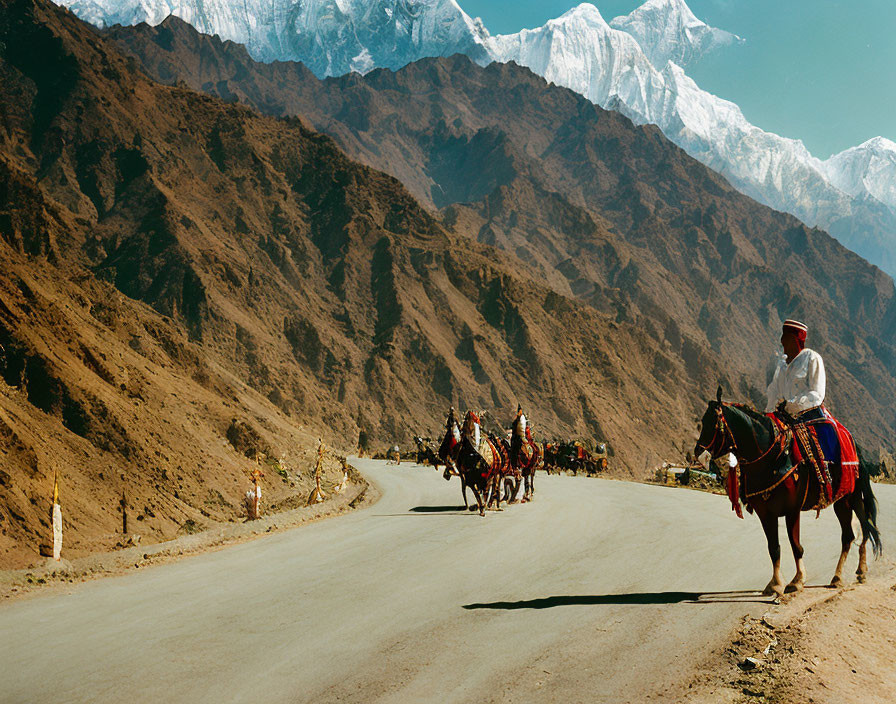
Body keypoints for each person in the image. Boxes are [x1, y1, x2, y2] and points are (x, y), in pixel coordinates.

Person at [765, 319, 826, 421]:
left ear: (794, 340)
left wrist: (790, 406)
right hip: (781, 417)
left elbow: (817, 394)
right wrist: (769, 412)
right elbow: (774, 390)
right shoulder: (782, 364)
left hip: (807, 417)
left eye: (786, 339)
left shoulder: (812, 358)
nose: (782, 342)